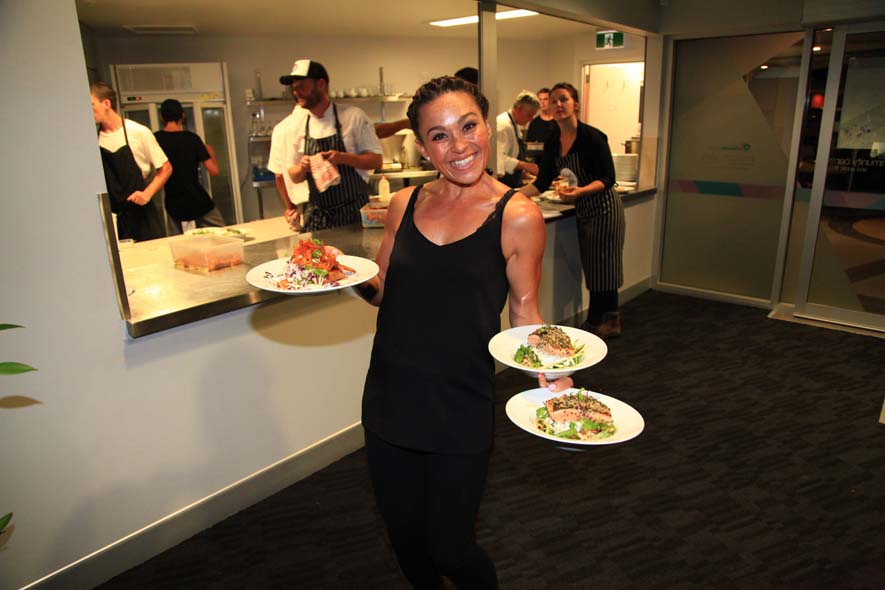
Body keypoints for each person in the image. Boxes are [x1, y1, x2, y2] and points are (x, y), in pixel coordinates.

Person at [352, 76, 571, 590]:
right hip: (390, 396)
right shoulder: (404, 203)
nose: (459, 146)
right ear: (424, 145)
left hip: (459, 403)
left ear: (486, 127)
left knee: (451, 547)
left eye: (467, 126)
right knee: (405, 541)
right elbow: (382, 289)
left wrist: (554, 377)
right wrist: (345, 276)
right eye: (439, 135)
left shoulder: (518, 215)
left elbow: (524, 310)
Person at [519, 82, 625, 339]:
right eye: (554, 101)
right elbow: (542, 182)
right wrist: (510, 196)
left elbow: (608, 178)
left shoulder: (592, 137)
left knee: (605, 266)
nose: (558, 105)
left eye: (563, 99)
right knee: (594, 266)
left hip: (605, 207)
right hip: (584, 208)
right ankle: (605, 320)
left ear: (575, 104)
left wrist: (579, 192)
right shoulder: (554, 140)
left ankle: (600, 321)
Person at [281, 59, 383, 231]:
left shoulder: (353, 117)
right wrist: (303, 167)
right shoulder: (296, 126)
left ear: (321, 84)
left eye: (302, 87)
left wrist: (343, 158)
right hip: (318, 219)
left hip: (354, 215)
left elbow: (376, 161)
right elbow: (293, 175)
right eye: (294, 88)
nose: (296, 92)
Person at [91, 82, 171, 241]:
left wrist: (147, 193)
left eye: (91, 105)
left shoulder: (138, 132)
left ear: (106, 103)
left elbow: (166, 168)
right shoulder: (94, 139)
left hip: (142, 217)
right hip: (115, 220)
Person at [153, 99, 225, 233]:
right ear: (182, 116)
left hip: (173, 201)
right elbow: (214, 170)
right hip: (197, 199)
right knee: (221, 233)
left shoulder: (155, 139)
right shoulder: (192, 139)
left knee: (178, 243)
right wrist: (210, 151)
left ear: (161, 117)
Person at [496, 91, 540, 188]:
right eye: (529, 115)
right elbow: (500, 160)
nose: (531, 119)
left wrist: (524, 174)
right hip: (504, 184)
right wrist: (526, 165)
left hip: (513, 182)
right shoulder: (503, 125)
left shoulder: (515, 125)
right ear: (519, 108)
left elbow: (513, 155)